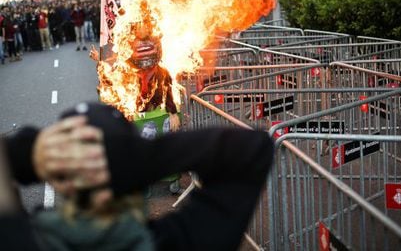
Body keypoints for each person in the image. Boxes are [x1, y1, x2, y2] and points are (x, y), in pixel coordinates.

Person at [0, 102, 273, 251]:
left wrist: (27, 153)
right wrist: (137, 158)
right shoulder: (181, 242)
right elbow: (252, 149)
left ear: (62, 179)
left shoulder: (21, 240)